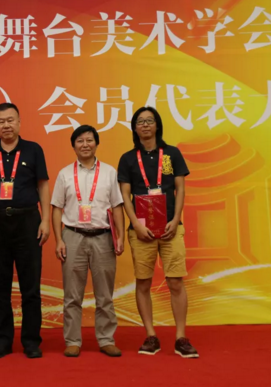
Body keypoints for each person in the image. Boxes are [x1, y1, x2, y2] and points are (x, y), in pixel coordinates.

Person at [117, 107, 199, 359]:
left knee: (175, 281)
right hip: (141, 230)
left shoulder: (172, 153)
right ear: (134, 128)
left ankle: (181, 337)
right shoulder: (128, 158)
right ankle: (151, 335)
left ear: (157, 125)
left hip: (170, 228)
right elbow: (125, 195)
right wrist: (135, 224)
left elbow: (180, 188)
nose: (145, 125)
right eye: (140, 121)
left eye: (149, 121)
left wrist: (176, 220)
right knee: (143, 282)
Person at [0, 102, 50, 359]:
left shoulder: (33, 150)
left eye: (10, 120)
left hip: (28, 221)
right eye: (1, 121)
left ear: (19, 122)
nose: (6, 125)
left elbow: (42, 185)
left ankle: (31, 341)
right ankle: (2, 340)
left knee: (31, 285)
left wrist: (45, 220)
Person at [51, 125, 125, 358]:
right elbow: (56, 208)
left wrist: (120, 236)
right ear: (73, 146)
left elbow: (117, 206)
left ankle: (106, 339)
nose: (85, 145)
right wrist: (58, 240)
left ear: (96, 143)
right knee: (72, 295)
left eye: (89, 140)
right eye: (80, 141)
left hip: (103, 237)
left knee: (105, 295)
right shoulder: (64, 174)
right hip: (73, 236)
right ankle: (72, 340)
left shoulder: (109, 172)